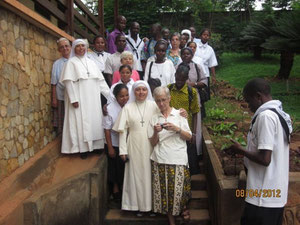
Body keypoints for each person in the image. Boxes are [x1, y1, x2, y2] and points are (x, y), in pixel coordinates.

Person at [224, 78, 292, 225]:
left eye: (249, 101)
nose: (248, 106)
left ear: (258, 96)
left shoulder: (266, 117)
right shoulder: (280, 114)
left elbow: (265, 159)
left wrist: (240, 150)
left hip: (263, 196)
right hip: (274, 194)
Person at [113, 81, 158, 215]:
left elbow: (167, 114)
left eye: (144, 90)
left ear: (148, 91)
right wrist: (122, 150)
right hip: (133, 145)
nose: (141, 92)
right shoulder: (128, 108)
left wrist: (182, 112)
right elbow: (122, 131)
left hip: (151, 144)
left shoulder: (154, 106)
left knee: (150, 175)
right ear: (134, 92)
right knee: (136, 176)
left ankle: (152, 207)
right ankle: (137, 206)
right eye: (138, 90)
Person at [148, 86, 192, 225]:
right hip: (160, 158)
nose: (161, 104)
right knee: (165, 193)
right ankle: (171, 221)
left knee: (180, 191)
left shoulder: (179, 114)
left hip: (178, 158)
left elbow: (189, 137)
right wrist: (156, 132)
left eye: (163, 100)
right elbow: (153, 143)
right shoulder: (154, 118)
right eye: (158, 101)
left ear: (169, 99)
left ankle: (183, 210)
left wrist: (177, 129)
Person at [60, 39, 110, 157]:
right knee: (81, 122)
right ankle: (83, 149)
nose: (81, 48)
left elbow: (101, 82)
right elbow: (68, 82)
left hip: (93, 98)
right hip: (80, 98)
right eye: (78, 46)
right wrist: (73, 99)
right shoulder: (70, 63)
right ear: (74, 48)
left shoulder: (92, 62)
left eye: (83, 46)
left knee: (95, 121)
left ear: (86, 47)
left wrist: (110, 97)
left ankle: (97, 146)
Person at [168, 63, 201, 174]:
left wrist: (194, 133)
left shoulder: (191, 92)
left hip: (186, 128)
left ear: (186, 79)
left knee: (187, 156)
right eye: (177, 79)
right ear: (175, 75)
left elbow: (195, 113)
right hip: (172, 129)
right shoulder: (169, 89)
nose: (179, 82)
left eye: (182, 80)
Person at [103, 83, 129, 200]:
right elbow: (107, 130)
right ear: (116, 96)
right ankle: (115, 187)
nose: (124, 98)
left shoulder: (129, 106)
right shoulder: (109, 109)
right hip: (113, 142)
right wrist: (110, 148)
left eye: (126, 95)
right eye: (121, 96)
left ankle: (125, 188)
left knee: (124, 167)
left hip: (127, 142)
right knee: (114, 166)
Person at [179, 48, 207, 155]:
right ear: (181, 56)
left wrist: (194, 84)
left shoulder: (197, 67)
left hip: (194, 98)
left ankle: (196, 151)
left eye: (188, 54)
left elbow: (204, 81)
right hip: (181, 99)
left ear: (192, 55)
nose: (186, 56)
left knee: (196, 121)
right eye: (184, 54)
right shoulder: (177, 67)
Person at [51, 37, 71, 135]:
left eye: (66, 46)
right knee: (63, 119)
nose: (65, 48)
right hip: (62, 96)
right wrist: (54, 99)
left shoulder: (76, 61)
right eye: (62, 47)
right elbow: (54, 83)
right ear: (59, 50)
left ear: (70, 47)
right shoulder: (57, 64)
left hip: (75, 97)